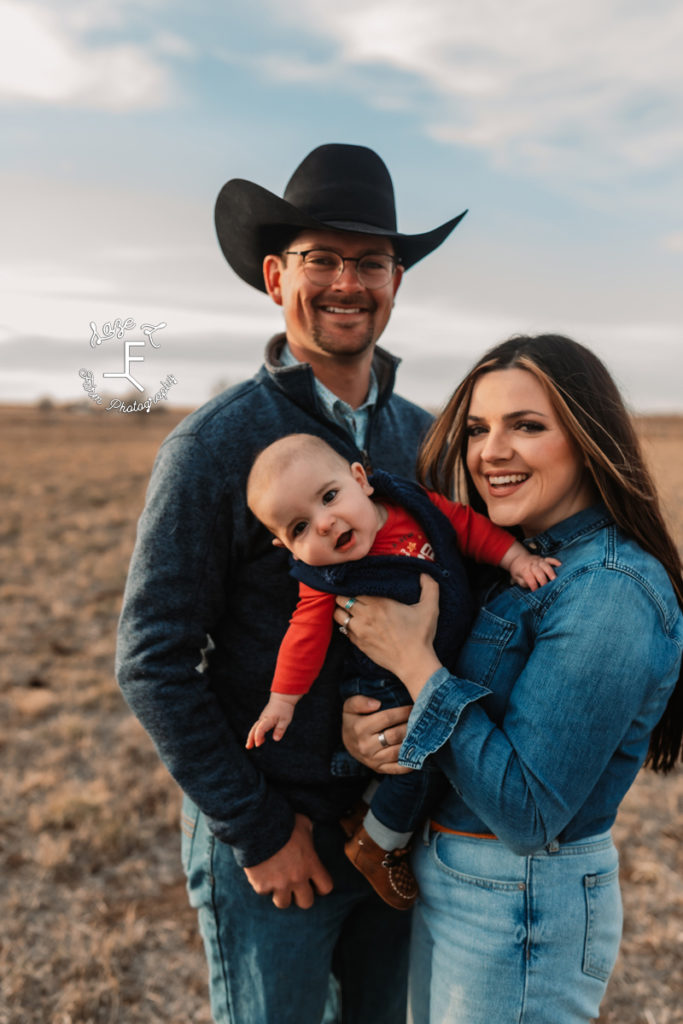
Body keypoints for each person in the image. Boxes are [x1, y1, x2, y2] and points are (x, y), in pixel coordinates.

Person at [115, 143, 468, 1024]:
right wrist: (259, 832)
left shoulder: (426, 445)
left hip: (393, 833)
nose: (347, 282)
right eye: (322, 259)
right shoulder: (215, 449)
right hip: (275, 840)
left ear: (396, 283)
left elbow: (454, 600)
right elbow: (152, 659)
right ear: (276, 277)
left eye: (371, 262)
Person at [336, 334, 683, 1024]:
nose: (490, 451)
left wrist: (416, 664)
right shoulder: (520, 562)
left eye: (526, 425)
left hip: (518, 899)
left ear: (585, 439)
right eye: (477, 429)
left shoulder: (608, 590)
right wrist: (371, 733)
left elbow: (527, 808)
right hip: (458, 878)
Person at [245, 432, 559, 909]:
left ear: (360, 479)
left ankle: (367, 812)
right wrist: (282, 700)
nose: (326, 524)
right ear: (286, 547)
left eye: (330, 498)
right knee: (420, 764)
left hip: (430, 664)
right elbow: (303, 636)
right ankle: (378, 844)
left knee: (422, 757)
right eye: (300, 529)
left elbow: (467, 529)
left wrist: (515, 558)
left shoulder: (416, 505)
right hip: (381, 684)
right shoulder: (324, 578)